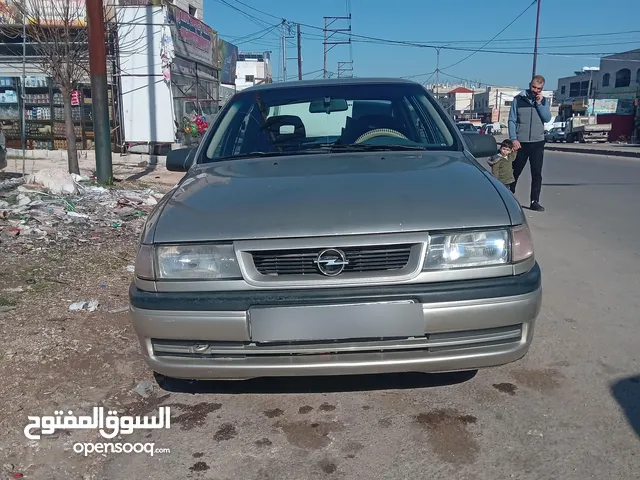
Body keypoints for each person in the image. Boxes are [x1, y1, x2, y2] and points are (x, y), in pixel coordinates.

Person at [508, 75, 552, 212]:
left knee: (536, 173)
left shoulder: (544, 101)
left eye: (539, 88)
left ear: (542, 88)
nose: (535, 90)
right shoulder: (518, 99)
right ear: (529, 85)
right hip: (521, 142)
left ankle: (534, 201)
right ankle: (509, 197)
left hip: (537, 142)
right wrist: (514, 138)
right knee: (515, 171)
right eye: (533, 87)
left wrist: (539, 104)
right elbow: (512, 120)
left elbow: (547, 118)